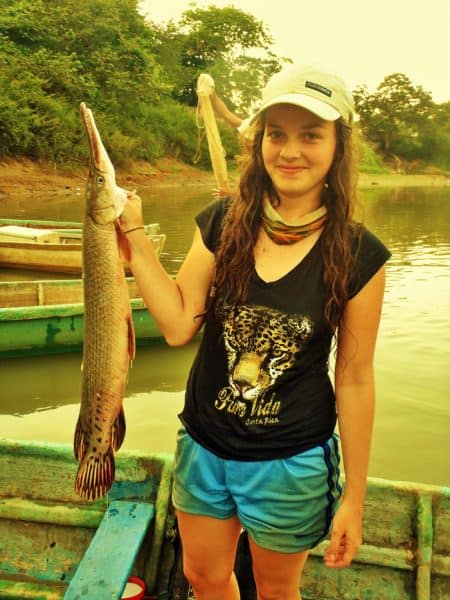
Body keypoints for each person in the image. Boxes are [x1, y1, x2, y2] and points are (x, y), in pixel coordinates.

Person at [119, 63, 391, 600]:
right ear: (260, 141)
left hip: (290, 461)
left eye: (311, 135)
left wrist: (354, 498)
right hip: (204, 444)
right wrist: (131, 232)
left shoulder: (361, 255)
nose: (290, 151)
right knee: (204, 576)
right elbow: (177, 325)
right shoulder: (223, 222)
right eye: (276, 134)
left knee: (275, 590)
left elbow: (355, 379)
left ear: (338, 146)